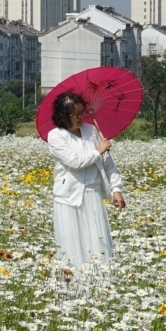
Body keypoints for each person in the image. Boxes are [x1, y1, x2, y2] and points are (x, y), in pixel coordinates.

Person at [46, 91, 126, 267]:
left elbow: (108, 164)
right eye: (75, 114)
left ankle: (100, 281)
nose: (80, 117)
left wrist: (116, 189)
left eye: (82, 112)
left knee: (97, 240)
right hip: (68, 197)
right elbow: (75, 162)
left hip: (92, 193)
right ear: (63, 115)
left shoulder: (92, 131)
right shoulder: (56, 136)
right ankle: (73, 282)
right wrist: (98, 150)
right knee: (71, 242)